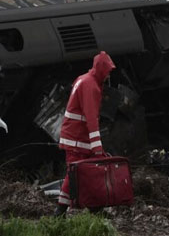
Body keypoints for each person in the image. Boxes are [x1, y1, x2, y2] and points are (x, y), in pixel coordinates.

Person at [54, 51, 116, 217]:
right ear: (102, 69)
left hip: (74, 136)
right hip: (77, 139)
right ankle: (60, 211)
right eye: (108, 70)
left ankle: (93, 208)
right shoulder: (91, 86)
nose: (109, 74)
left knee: (79, 173)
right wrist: (97, 147)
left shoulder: (83, 79)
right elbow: (91, 118)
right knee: (74, 173)